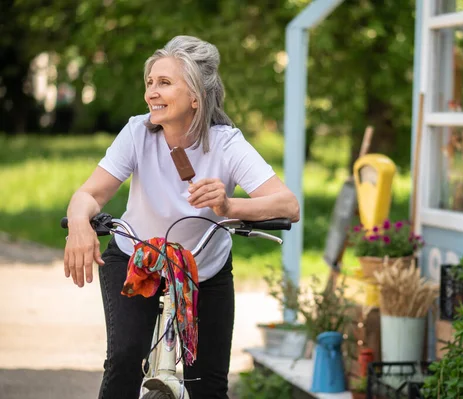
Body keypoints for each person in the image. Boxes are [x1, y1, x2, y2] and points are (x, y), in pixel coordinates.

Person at [63, 35, 300, 399]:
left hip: (203, 269)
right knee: (125, 358)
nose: (151, 93)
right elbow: (89, 194)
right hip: (136, 258)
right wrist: (80, 223)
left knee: (208, 383)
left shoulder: (226, 144)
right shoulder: (137, 132)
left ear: (195, 97)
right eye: (150, 83)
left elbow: (287, 205)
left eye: (164, 83)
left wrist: (228, 207)